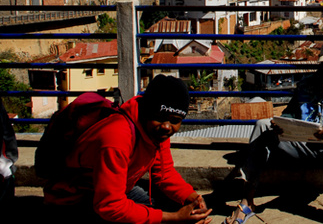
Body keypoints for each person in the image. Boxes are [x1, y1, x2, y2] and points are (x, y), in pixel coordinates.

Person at [226, 40, 323, 224]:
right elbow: (291, 112)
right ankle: (247, 200)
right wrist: (281, 124)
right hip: (302, 147)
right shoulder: (306, 84)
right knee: (262, 125)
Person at [44, 74, 212, 224]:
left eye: (175, 120)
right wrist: (174, 218)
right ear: (147, 111)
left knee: (185, 209)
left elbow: (163, 174)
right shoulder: (117, 136)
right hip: (76, 201)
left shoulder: (156, 132)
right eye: (160, 117)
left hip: (115, 191)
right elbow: (110, 206)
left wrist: (191, 197)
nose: (167, 126)